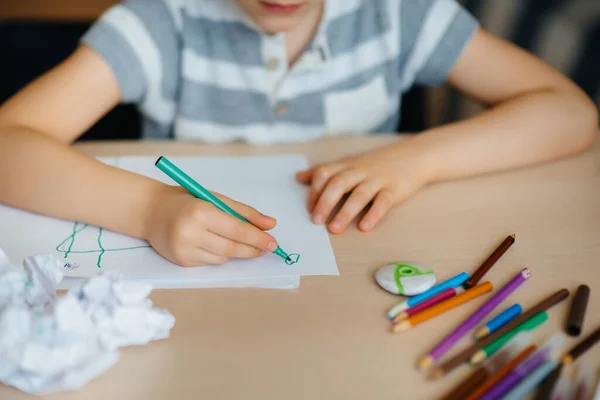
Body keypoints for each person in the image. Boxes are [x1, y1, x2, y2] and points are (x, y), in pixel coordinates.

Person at [0, 0, 597, 267]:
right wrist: (150, 207)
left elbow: (571, 114)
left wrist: (414, 160)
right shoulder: (160, 23)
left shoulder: (399, 14)